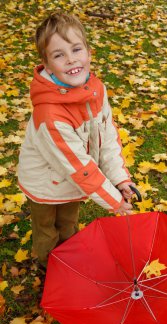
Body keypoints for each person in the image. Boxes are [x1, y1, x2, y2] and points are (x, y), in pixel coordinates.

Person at [18, 12, 135, 267]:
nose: (71, 59)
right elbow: (78, 167)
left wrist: (120, 179)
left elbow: (107, 136)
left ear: (89, 53)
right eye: (59, 55)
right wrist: (114, 201)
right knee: (47, 229)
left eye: (76, 49)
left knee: (68, 223)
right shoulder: (50, 115)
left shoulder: (95, 90)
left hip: (72, 184)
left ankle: (71, 262)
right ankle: (52, 269)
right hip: (44, 184)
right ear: (47, 66)